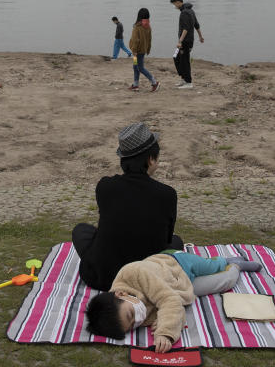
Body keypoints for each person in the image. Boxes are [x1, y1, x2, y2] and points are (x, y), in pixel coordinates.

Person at [72, 122, 182, 291]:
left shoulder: (105, 186)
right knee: (176, 242)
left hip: (103, 278)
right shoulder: (167, 194)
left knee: (81, 230)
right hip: (147, 278)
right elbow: (166, 239)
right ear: (151, 159)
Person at [85, 251, 262, 352]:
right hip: (181, 287)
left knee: (212, 266)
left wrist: (165, 332)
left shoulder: (134, 272)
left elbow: (170, 301)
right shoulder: (129, 308)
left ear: (121, 293)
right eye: (132, 325)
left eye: (131, 314)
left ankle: (227, 260)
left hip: (178, 264)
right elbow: (176, 310)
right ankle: (237, 267)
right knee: (223, 282)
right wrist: (160, 318)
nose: (138, 319)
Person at [169, 0, 203, 89]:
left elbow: (185, 29)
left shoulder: (184, 13)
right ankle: (183, 79)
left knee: (184, 61)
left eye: (174, 4)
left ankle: (188, 82)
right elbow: (196, 25)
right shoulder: (191, 11)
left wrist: (180, 41)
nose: (174, 6)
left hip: (185, 41)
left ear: (178, 2)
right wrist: (200, 36)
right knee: (176, 57)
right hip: (189, 40)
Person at [128, 8, 159, 92]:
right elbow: (149, 39)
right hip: (142, 51)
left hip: (136, 51)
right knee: (135, 66)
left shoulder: (137, 27)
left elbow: (135, 40)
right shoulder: (148, 26)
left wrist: (134, 51)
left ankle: (154, 82)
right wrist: (148, 49)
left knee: (140, 67)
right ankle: (135, 85)